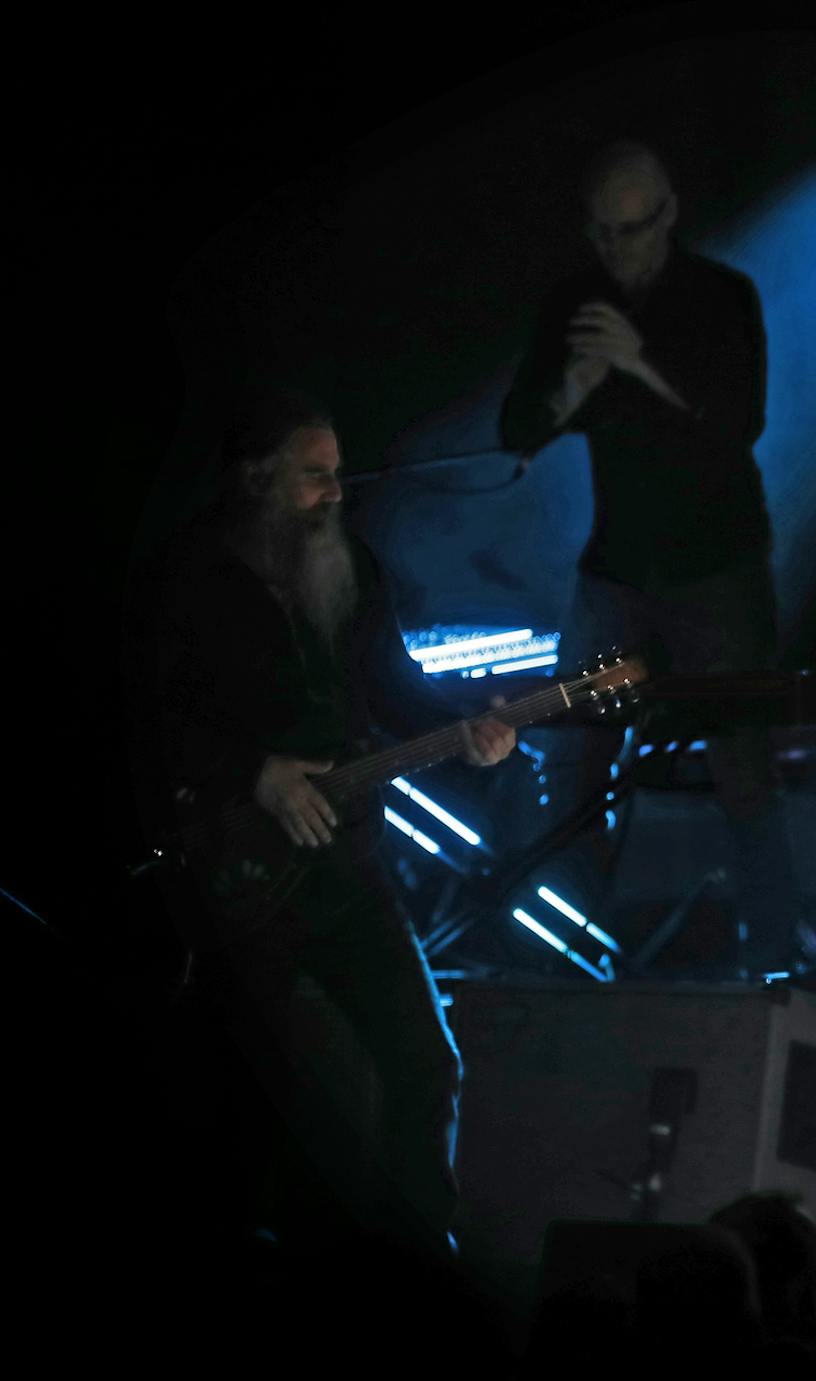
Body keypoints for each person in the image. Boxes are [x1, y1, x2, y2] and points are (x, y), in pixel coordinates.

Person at [148, 393, 515, 1253]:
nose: (335, 493)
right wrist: (255, 772)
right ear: (257, 478)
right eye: (315, 477)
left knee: (426, 1063)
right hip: (235, 864)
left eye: (338, 475)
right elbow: (149, 713)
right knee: (245, 1080)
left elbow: (395, 687)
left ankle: (420, 1263)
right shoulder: (192, 571)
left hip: (347, 861)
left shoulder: (353, 568)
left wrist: (467, 735)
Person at [499, 139, 807, 978]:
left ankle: (775, 958)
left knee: (743, 764)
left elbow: (740, 421)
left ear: (667, 216)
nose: (617, 250)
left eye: (631, 230)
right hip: (618, 567)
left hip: (718, 563)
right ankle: (576, 949)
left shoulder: (719, 296)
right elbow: (516, 429)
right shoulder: (576, 300)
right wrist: (578, 382)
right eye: (602, 233)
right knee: (571, 757)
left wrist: (639, 361)